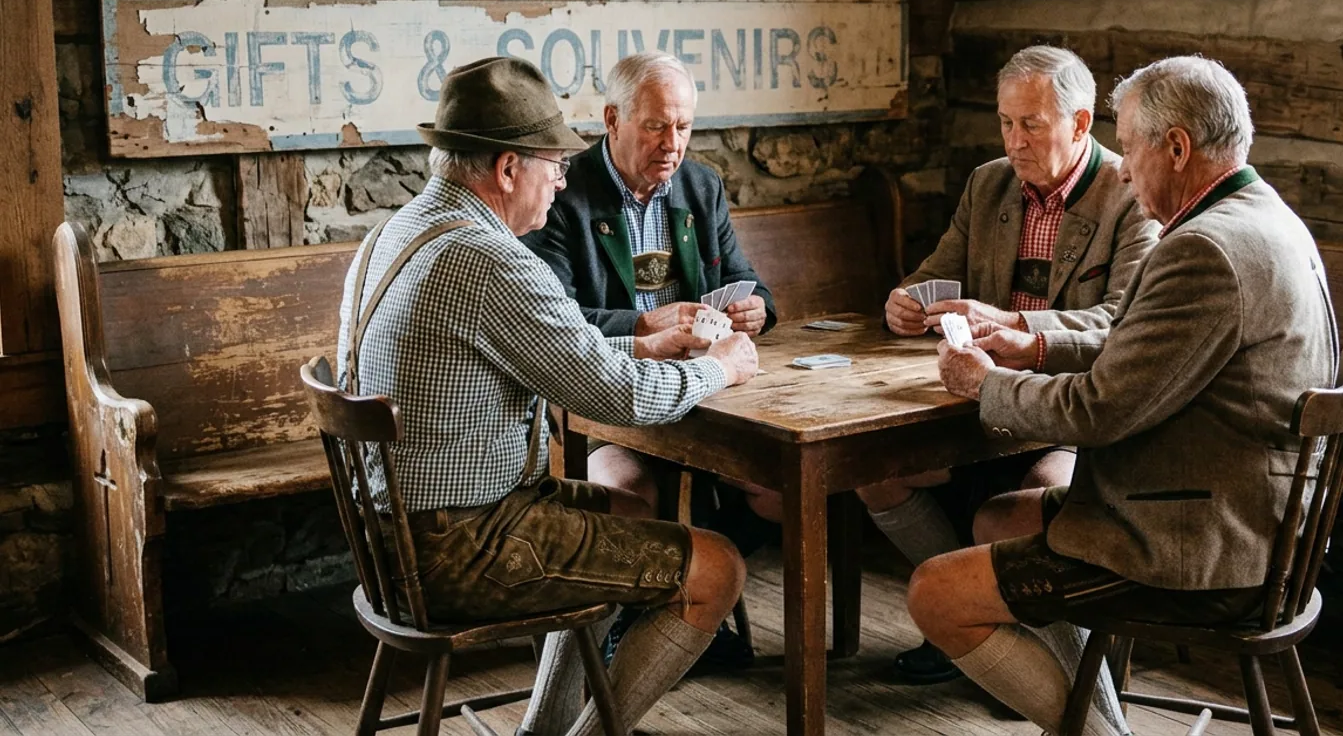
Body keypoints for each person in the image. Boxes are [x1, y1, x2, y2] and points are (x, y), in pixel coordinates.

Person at [909, 56, 1339, 736]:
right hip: (1264, 525)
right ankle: (1094, 717)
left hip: (1196, 548)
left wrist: (987, 385)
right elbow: (1146, 348)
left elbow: (1098, 411)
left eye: (1130, 143)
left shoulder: (1203, 249)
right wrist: (1037, 346)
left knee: (934, 593)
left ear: (1176, 147)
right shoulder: (1265, 216)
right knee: (997, 518)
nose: (1122, 166)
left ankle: (1100, 735)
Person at [335, 56, 761, 736]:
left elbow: (561, 356)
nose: (562, 181)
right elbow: (619, 397)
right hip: (459, 548)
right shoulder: (489, 260)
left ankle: (543, 728)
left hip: (393, 543)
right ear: (508, 169)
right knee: (718, 568)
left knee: (623, 505)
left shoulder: (395, 231)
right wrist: (724, 368)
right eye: (554, 165)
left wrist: (644, 346)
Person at [866, 45, 1157, 683]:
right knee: (875, 474)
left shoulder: (1130, 194)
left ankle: (1019, 650)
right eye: (1005, 122)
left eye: (1031, 124)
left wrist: (1015, 324)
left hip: (1070, 410)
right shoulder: (989, 181)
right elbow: (934, 274)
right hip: (976, 400)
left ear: (1081, 124)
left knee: (1023, 503)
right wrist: (906, 302)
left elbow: (1118, 324)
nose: (1014, 140)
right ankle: (979, 632)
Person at [521, 51, 779, 666]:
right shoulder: (561, 190)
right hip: (602, 397)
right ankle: (644, 619)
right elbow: (553, 321)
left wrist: (757, 309)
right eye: (657, 126)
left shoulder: (701, 185)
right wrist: (643, 322)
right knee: (630, 492)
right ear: (612, 120)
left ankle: (691, 601)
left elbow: (748, 281)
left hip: (703, 394)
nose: (673, 144)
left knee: (778, 489)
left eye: (684, 127)